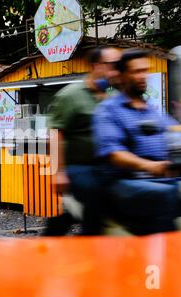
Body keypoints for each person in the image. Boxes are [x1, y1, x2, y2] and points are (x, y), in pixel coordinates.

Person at [93, 49, 181, 235]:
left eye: (145, 70)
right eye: (136, 71)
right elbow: (113, 152)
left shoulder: (152, 110)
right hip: (126, 181)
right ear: (121, 75)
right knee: (168, 196)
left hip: (163, 177)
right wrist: (149, 166)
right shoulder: (108, 110)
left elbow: (178, 134)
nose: (143, 76)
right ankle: (160, 256)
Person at [44, 46, 122, 236]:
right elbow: (55, 134)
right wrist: (59, 172)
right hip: (78, 165)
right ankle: (88, 243)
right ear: (96, 66)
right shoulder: (71, 95)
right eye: (112, 65)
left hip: (107, 164)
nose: (116, 70)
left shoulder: (114, 98)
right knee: (96, 194)